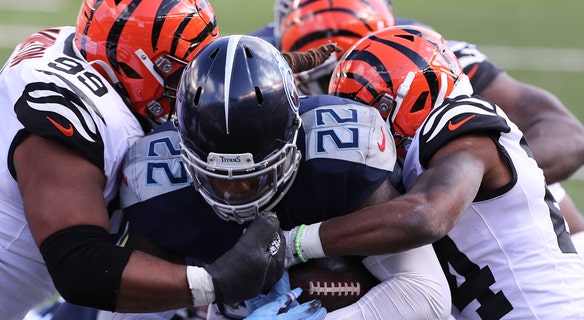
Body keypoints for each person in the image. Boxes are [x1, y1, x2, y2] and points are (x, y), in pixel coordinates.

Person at [0, 1, 289, 319]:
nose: (187, 89)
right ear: (130, 62)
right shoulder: (68, 112)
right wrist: (215, 281)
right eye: (175, 75)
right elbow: (81, 268)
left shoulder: (79, 52)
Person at [117, 35, 451, 319]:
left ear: (295, 137)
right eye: (219, 179)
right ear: (184, 153)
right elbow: (131, 310)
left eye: (254, 178)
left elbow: (428, 295)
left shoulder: (337, 155)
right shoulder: (156, 184)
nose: (237, 193)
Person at [276, 25, 584, 319]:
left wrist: (294, 243)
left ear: (414, 96)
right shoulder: (420, 165)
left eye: (371, 113)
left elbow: (425, 215)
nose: (366, 132)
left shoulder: (464, 125)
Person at [261, 0, 584, 249]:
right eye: (332, 79)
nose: (351, 94)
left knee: (495, 152)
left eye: (371, 74)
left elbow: (568, 136)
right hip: (395, 210)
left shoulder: (425, 58)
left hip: (441, 207)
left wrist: (455, 182)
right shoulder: (266, 69)